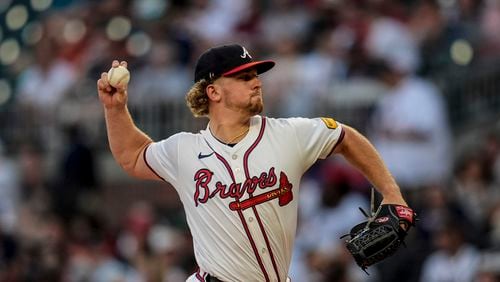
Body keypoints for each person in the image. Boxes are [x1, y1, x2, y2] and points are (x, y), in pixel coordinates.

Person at [96, 44, 411, 282]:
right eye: (244, 77)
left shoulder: (289, 135)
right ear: (213, 91)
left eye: (255, 76)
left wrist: (392, 193)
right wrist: (115, 109)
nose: (256, 82)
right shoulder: (185, 150)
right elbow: (133, 156)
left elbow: (345, 137)